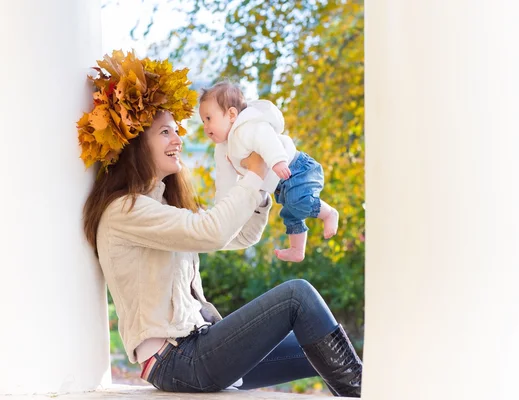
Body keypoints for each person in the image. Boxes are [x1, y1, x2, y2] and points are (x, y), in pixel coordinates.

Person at [79, 50, 362, 397]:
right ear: (137, 145)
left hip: (197, 348)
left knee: (319, 343)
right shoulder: (127, 210)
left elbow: (239, 236)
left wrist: (258, 189)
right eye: (165, 132)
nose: (178, 140)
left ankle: (362, 390)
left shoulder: (162, 205)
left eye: (176, 131)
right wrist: (256, 171)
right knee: (297, 297)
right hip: (177, 359)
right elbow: (212, 230)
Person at [198, 81, 339, 262]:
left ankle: (328, 213)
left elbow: (266, 139)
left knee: (299, 201)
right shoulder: (222, 149)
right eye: (203, 121)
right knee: (290, 213)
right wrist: (222, 212)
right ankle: (297, 249)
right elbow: (224, 182)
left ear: (232, 114)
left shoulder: (247, 126)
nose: (205, 127)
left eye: (209, 119)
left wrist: (277, 160)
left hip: (295, 167)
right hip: (279, 183)